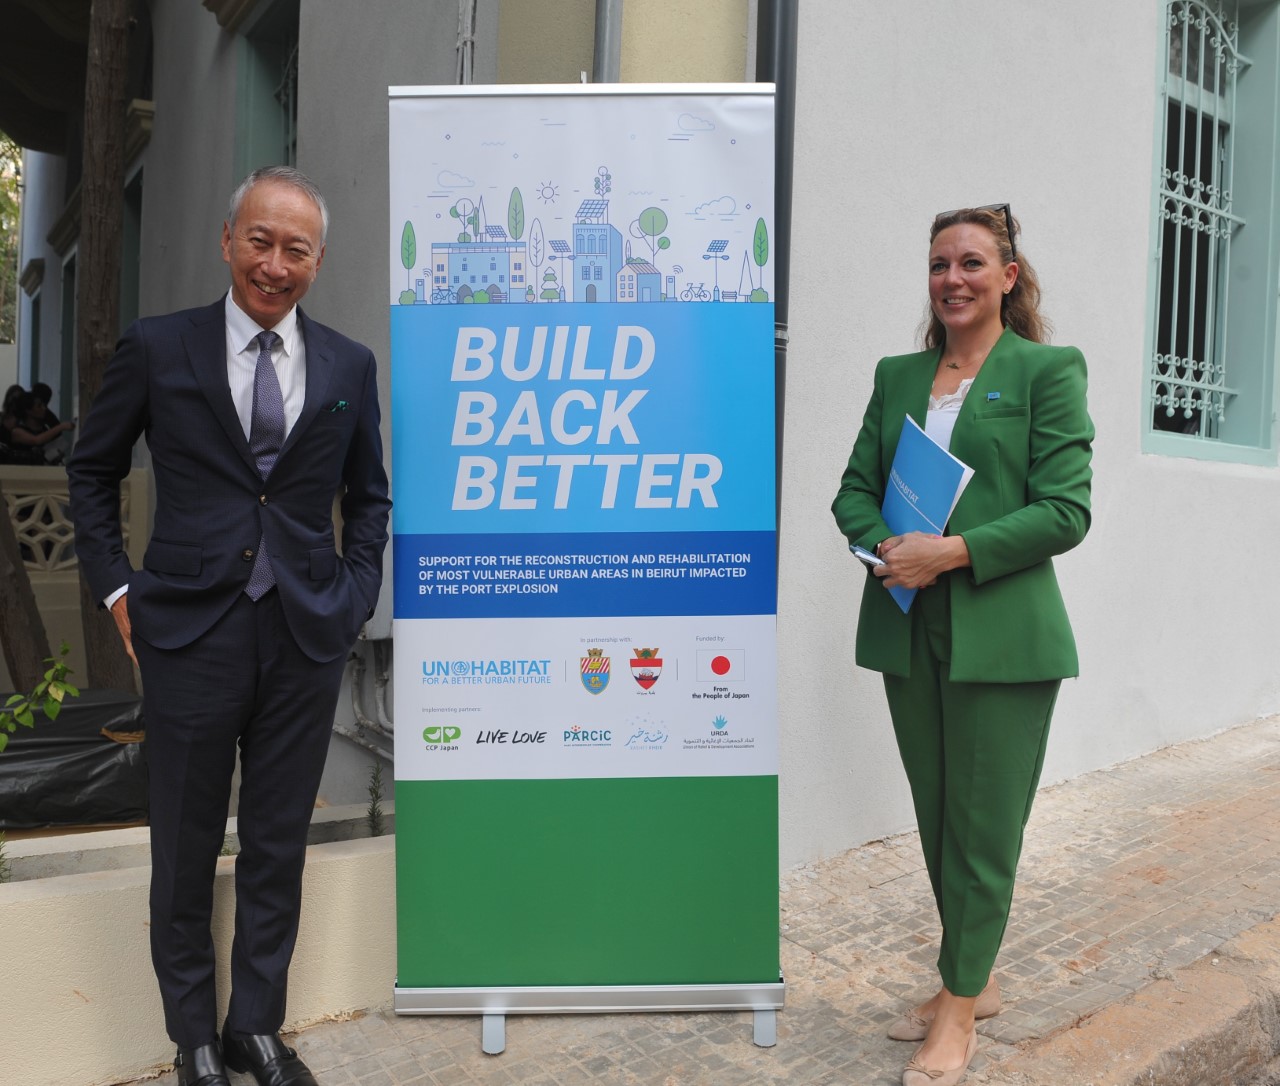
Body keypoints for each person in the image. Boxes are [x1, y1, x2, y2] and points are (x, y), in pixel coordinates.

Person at [68, 166, 391, 1086]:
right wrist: (118, 592)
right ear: (227, 240)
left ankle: (255, 1027)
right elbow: (91, 472)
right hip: (188, 633)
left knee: (277, 843)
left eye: (296, 249)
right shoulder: (158, 347)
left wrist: (352, 594)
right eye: (260, 241)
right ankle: (195, 1042)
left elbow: (369, 498)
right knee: (184, 843)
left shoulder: (348, 365)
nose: (275, 264)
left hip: (303, 635)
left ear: (318, 261)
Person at [831, 205, 1093, 1086]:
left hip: (1003, 634)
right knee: (941, 815)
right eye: (940, 263)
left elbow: (1066, 511)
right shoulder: (898, 375)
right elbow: (853, 491)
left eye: (973, 262)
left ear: (1008, 277)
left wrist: (951, 552)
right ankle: (970, 980)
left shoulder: (1046, 371)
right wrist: (889, 549)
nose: (953, 278)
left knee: (984, 829)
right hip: (909, 625)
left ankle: (959, 1006)